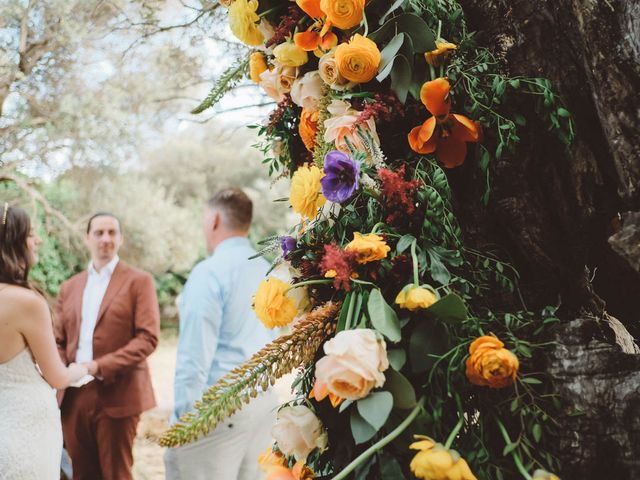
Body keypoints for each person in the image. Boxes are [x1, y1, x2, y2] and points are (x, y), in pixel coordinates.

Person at [164, 188, 277, 480]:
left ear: (213, 220)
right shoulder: (268, 271)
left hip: (218, 410)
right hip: (262, 405)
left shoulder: (209, 272)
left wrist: (183, 422)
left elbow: (194, 356)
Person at [54, 212, 160, 480]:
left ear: (121, 239)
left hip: (119, 394)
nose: (106, 239)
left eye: (112, 232)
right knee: (81, 474)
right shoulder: (69, 287)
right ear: (87, 238)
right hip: (74, 398)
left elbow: (148, 338)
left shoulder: (139, 281)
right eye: (99, 233)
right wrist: (59, 375)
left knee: (116, 474)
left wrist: (97, 366)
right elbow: (58, 341)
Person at [0, 203, 88, 479]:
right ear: (12, 242)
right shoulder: (26, 302)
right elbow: (58, 377)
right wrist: (82, 369)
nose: (37, 240)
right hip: (27, 434)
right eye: (30, 233)